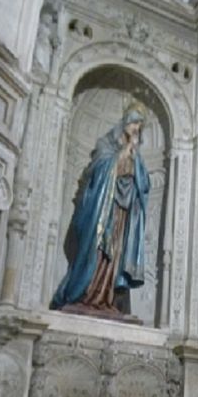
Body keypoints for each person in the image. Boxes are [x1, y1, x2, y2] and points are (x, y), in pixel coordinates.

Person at [51, 102, 150, 312]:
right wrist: (125, 151)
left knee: (115, 256)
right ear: (125, 121)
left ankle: (108, 299)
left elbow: (144, 184)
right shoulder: (106, 144)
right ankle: (86, 294)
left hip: (122, 214)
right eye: (133, 122)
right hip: (102, 209)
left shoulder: (136, 155)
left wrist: (134, 160)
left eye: (139, 125)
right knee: (95, 251)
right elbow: (98, 171)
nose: (135, 128)